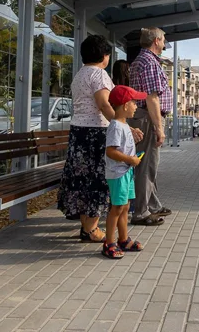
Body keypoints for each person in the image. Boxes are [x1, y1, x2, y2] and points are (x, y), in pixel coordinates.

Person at [57, 35, 117, 243]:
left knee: (81, 179)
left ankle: (86, 226)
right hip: (96, 133)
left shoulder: (80, 75)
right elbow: (103, 104)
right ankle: (91, 230)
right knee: (97, 179)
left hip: (78, 132)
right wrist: (119, 123)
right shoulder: (99, 75)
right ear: (104, 55)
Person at [128, 27, 173, 226]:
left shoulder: (142, 60)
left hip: (142, 116)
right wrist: (159, 127)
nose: (164, 44)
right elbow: (152, 98)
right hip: (147, 117)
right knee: (147, 165)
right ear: (156, 41)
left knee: (147, 164)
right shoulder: (149, 62)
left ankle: (152, 205)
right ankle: (140, 212)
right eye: (163, 40)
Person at [102, 85, 146, 259]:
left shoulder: (125, 125)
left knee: (125, 206)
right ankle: (109, 243)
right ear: (124, 105)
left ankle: (123, 239)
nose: (136, 106)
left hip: (126, 172)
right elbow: (110, 151)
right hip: (118, 173)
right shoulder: (115, 126)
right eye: (134, 102)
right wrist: (130, 160)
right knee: (117, 207)